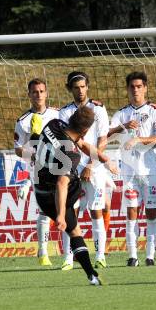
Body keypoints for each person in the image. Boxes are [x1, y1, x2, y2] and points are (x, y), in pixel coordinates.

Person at [33, 106, 117, 285]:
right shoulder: (70, 155)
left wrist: (106, 159)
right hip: (53, 194)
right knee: (73, 224)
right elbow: (61, 184)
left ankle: (91, 274)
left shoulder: (54, 124)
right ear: (85, 130)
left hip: (39, 188)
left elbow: (83, 144)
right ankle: (89, 270)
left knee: (75, 230)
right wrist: (60, 215)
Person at [109, 71, 156, 267]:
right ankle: (132, 256)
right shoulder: (122, 114)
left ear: (145, 88)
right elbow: (105, 135)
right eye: (132, 87)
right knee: (131, 212)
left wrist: (139, 139)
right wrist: (122, 127)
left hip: (150, 171)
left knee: (151, 213)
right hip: (130, 173)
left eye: (139, 86)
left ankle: (150, 256)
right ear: (127, 89)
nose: (135, 90)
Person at [14, 78, 70, 267]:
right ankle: (43, 253)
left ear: (46, 93)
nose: (38, 95)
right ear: (29, 95)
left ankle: (68, 254)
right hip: (39, 170)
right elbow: (17, 148)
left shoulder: (58, 114)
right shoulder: (22, 121)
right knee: (46, 211)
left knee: (67, 208)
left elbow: (68, 136)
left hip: (61, 167)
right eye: (34, 92)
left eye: (41, 91)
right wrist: (31, 150)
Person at [59, 71, 110, 270]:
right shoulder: (64, 112)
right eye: (76, 87)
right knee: (70, 211)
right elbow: (67, 140)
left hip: (94, 165)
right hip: (72, 165)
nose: (80, 91)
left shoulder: (98, 108)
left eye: (82, 86)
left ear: (87, 86)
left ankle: (100, 256)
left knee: (96, 211)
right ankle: (68, 258)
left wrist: (90, 164)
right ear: (69, 89)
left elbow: (102, 140)